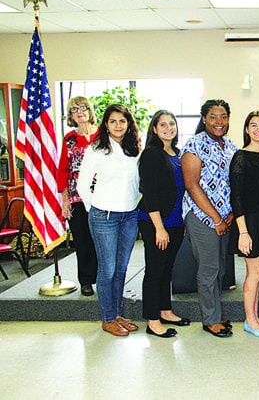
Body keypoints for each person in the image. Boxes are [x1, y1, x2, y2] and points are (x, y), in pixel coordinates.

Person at [77, 103, 141, 337]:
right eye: (113, 121)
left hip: (129, 215)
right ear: (106, 124)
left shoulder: (135, 148)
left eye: (122, 121)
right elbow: (82, 185)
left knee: (122, 268)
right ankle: (107, 318)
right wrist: (94, 209)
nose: (118, 125)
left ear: (128, 123)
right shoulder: (96, 149)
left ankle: (116, 314)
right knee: (107, 269)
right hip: (104, 216)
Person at [181, 99, 238, 338]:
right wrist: (216, 218)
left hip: (225, 217)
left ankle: (214, 312)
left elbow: (236, 183)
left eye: (223, 116)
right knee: (209, 269)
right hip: (202, 216)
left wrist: (231, 215)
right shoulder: (193, 145)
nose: (218, 122)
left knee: (221, 269)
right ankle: (210, 320)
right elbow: (192, 186)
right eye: (213, 116)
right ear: (204, 119)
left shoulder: (232, 146)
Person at [138, 110, 189, 338]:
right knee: (155, 271)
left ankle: (165, 310)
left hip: (176, 220)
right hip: (156, 221)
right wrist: (159, 227)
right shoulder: (151, 155)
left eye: (172, 124)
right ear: (155, 129)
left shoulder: (177, 154)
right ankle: (152, 320)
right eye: (163, 124)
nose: (169, 128)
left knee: (167, 269)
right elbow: (149, 193)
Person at [228, 111, 259, 338]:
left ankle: (255, 316)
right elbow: (236, 197)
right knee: (255, 272)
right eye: (254, 125)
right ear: (247, 129)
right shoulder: (241, 157)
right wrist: (243, 232)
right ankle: (249, 320)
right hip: (248, 223)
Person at [56, 96, 99, 296]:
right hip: (76, 198)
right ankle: (86, 280)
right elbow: (63, 170)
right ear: (71, 115)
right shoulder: (69, 139)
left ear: (90, 111)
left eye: (83, 108)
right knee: (82, 240)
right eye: (74, 109)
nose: (79, 112)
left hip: (102, 196)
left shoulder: (102, 135)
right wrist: (65, 200)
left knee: (102, 239)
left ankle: (104, 278)